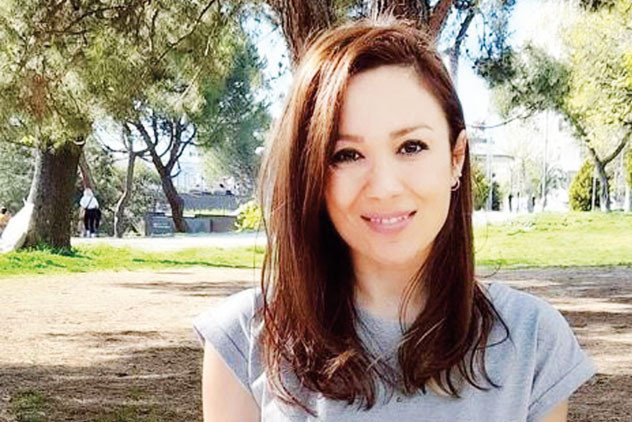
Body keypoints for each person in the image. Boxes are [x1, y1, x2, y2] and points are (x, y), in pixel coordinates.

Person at [193, 18, 596, 422]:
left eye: (411, 146)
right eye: (346, 155)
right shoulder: (244, 341)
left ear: (456, 158)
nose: (384, 187)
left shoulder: (532, 342)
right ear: (311, 173)